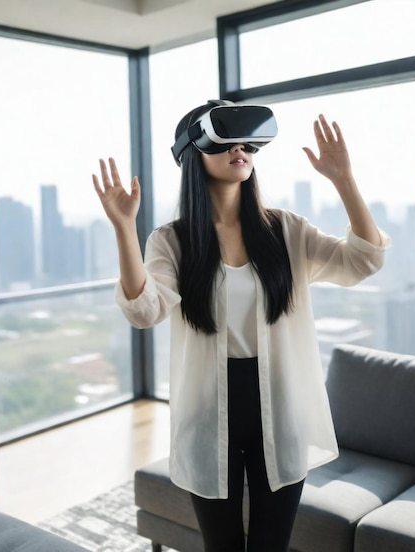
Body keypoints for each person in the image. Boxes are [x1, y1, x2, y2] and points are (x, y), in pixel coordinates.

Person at [92, 100, 390, 552]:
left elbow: (362, 260)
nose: (241, 149)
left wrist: (344, 180)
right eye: (226, 138)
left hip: (281, 402)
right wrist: (123, 229)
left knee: (271, 546)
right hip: (208, 408)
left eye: (248, 141)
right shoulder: (171, 241)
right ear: (194, 151)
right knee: (222, 547)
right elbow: (145, 310)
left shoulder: (286, 230)